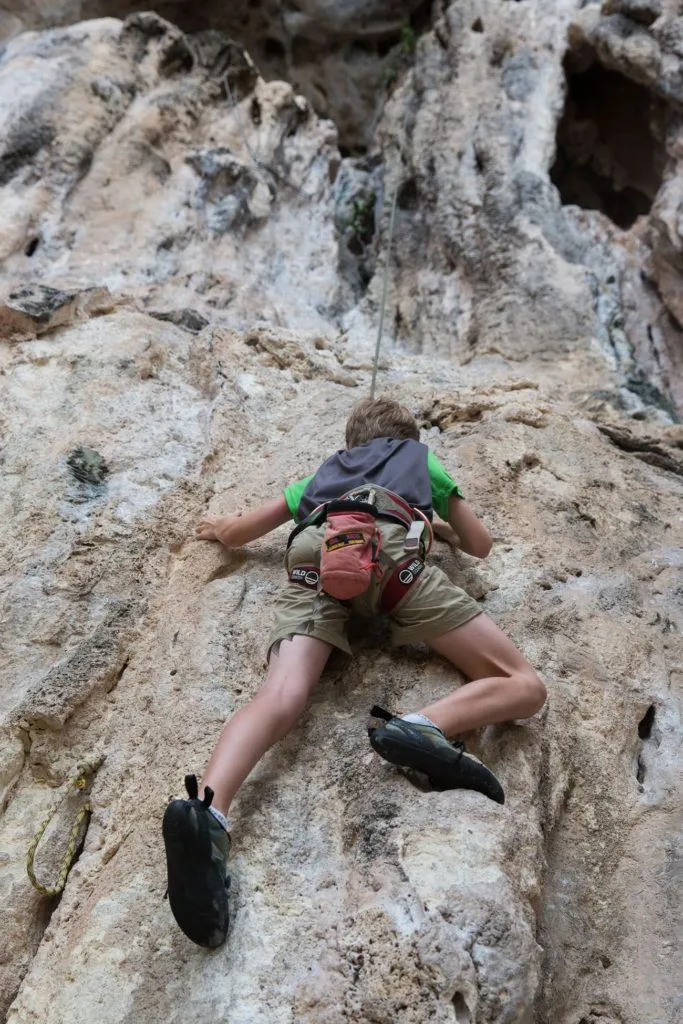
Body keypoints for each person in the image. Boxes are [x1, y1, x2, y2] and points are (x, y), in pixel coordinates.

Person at [162, 397, 546, 948]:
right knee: (524, 685)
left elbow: (243, 531)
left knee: (281, 696)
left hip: (317, 555)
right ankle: (425, 726)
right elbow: (481, 544)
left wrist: (221, 526)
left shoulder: (324, 474)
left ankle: (210, 811)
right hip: (395, 563)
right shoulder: (422, 462)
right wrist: (437, 519)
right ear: (407, 440)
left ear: (350, 445)